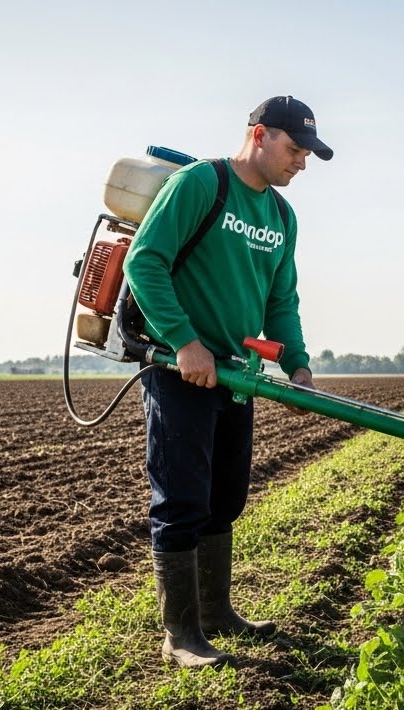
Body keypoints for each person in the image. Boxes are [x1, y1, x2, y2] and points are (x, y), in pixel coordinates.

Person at [123, 96, 332, 666]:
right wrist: (186, 342)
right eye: (295, 150)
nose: (301, 164)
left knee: (226, 498)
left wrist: (300, 369)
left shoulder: (282, 217)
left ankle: (216, 614)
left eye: (308, 155)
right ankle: (180, 637)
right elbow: (146, 262)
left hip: (237, 376)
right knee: (182, 499)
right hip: (180, 369)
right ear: (260, 135)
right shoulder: (201, 184)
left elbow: (280, 300)